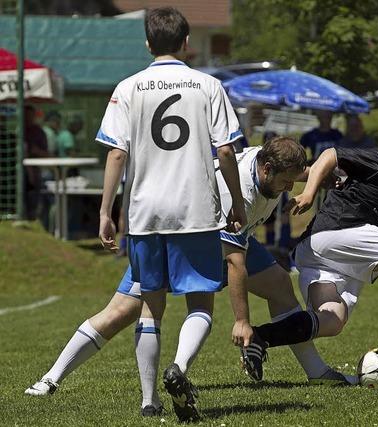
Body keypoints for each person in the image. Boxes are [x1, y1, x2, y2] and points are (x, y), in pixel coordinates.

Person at [24, 138, 352, 416]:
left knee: (280, 284)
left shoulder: (268, 163)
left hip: (220, 236)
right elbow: (235, 262)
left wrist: (321, 181)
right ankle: (51, 378)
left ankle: (317, 372)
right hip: (184, 235)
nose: (288, 189)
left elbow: (314, 165)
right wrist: (242, 321)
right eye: (285, 183)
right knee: (123, 312)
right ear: (266, 170)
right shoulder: (238, 192)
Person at [97, 7, 246, 422]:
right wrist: (234, 199)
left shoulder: (127, 87)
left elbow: (116, 151)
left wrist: (107, 210)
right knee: (200, 303)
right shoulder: (208, 84)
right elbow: (226, 150)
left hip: (144, 213)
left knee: (150, 307)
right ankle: (178, 369)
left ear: (147, 44)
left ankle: (149, 401)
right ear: (186, 43)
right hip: (195, 209)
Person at [239, 146, 378, 382]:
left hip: (321, 256)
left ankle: (258, 337)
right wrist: (309, 192)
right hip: (330, 233)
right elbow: (329, 155)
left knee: (331, 320)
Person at [24, 105, 50, 220]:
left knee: (34, 199)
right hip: (20, 172)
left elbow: (46, 154)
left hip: (35, 171)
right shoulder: (20, 130)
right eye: (25, 115)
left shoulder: (38, 132)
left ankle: (33, 218)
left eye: (29, 115)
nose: (27, 118)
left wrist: (36, 151)